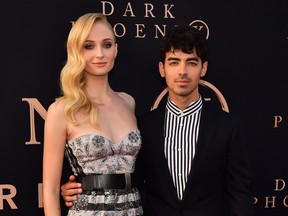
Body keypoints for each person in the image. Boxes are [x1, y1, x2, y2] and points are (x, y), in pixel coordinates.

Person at [60, 23, 254, 216]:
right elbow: (128, 179)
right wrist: (80, 185)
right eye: (174, 62)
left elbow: (239, 196)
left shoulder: (228, 127)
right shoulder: (144, 127)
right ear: (162, 69)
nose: (182, 72)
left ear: (203, 69)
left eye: (192, 63)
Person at [42, 13, 143, 216]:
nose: (100, 54)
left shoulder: (128, 102)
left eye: (107, 45)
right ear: (76, 51)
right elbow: (50, 192)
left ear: (116, 49)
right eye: (89, 46)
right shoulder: (62, 110)